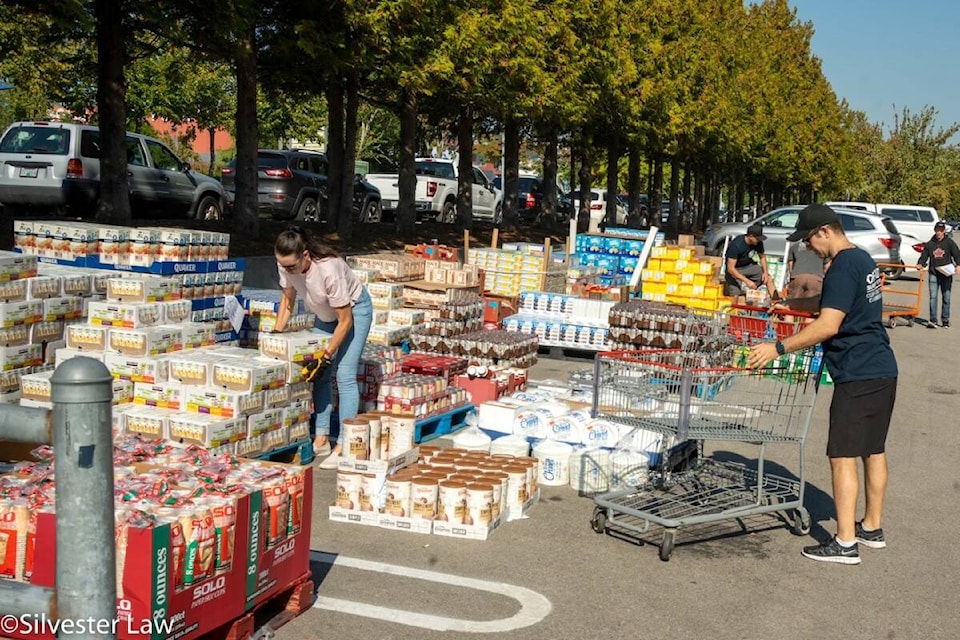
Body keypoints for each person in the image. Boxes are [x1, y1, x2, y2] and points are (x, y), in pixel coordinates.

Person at [747, 203, 897, 565]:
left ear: (825, 231)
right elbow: (839, 304)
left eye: (810, 240)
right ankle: (871, 527)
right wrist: (791, 304)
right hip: (881, 367)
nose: (810, 249)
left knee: (841, 454)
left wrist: (778, 347)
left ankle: (845, 542)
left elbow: (830, 324)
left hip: (857, 370)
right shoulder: (861, 260)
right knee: (872, 449)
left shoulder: (843, 264)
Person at [273, 226, 373, 469]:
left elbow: (345, 320)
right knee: (318, 374)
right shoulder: (286, 263)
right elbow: (287, 300)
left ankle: (345, 444)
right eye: (282, 265)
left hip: (354, 312)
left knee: (344, 373)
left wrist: (327, 355)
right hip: (324, 314)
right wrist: (276, 335)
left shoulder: (330, 269)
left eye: (290, 267)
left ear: (305, 255)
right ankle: (321, 437)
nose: (286, 270)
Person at [917, 221, 960, 328]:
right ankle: (933, 320)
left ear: (944, 231)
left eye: (941, 231)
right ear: (935, 231)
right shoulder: (930, 244)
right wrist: (920, 264)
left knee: (946, 297)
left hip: (946, 273)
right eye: (937, 230)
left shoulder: (949, 243)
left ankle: (945, 320)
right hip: (934, 273)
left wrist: (958, 265)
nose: (939, 233)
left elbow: (957, 255)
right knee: (933, 297)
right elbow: (924, 256)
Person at [723, 223, 777, 297]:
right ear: (750, 237)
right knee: (735, 294)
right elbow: (730, 269)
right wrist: (747, 281)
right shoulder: (736, 245)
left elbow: (762, 257)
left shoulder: (758, 243)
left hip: (748, 266)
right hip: (735, 269)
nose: (759, 241)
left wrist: (765, 273)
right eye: (757, 239)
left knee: (768, 278)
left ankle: (776, 300)